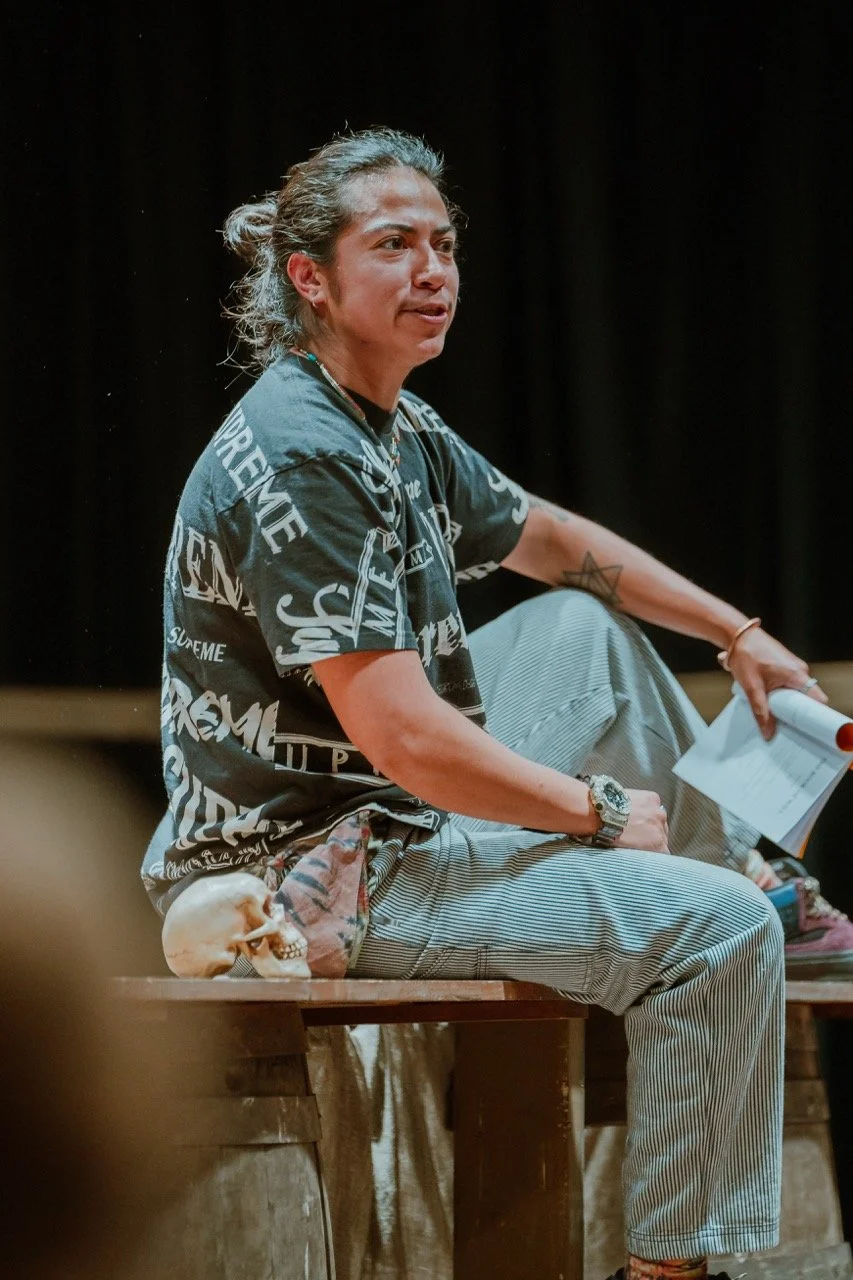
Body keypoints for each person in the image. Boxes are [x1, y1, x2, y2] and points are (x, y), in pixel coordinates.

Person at [142, 127, 849, 1280]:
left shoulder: (392, 422)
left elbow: (553, 540)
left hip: (392, 812)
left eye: (443, 243)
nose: (433, 270)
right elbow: (403, 735)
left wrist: (739, 631)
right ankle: (667, 1265)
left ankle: (756, 878)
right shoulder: (305, 447)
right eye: (394, 245)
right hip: (326, 866)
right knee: (712, 935)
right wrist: (598, 808)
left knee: (578, 626)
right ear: (309, 277)